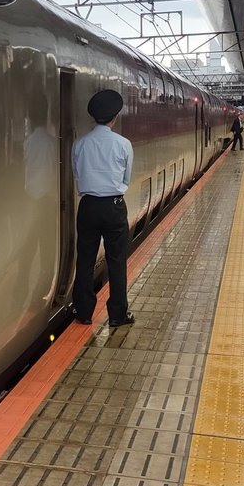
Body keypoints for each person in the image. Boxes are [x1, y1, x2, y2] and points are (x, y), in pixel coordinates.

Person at [71, 89, 135, 328]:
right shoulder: (124, 144)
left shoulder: (79, 144)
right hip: (114, 207)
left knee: (85, 260)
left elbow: (77, 174)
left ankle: (83, 312)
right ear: (114, 117)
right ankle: (118, 314)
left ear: (93, 118)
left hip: (88, 206)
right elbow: (126, 178)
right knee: (116, 261)